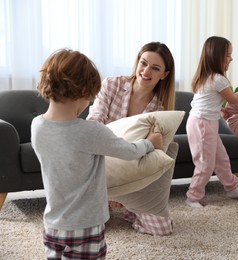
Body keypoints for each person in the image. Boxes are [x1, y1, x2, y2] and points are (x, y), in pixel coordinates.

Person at [31, 48, 163, 259]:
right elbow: (129, 152)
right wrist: (149, 143)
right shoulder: (90, 132)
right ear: (83, 91)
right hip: (86, 227)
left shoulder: (37, 126)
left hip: (52, 226)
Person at [87, 42, 176, 235]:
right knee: (91, 228)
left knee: (161, 229)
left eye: (155, 68)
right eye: (143, 63)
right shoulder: (112, 84)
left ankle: (126, 206)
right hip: (101, 168)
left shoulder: (160, 109)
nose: (146, 71)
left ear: (164, 74)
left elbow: (151, 153)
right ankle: (104, 200)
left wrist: (124, 188)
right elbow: (94, 124)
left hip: (131, 174)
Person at [185, 36, 238, 208]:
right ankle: (192, 197)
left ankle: (231, 187)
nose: (231, 59)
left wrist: (219, 110)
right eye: (228, 55)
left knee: (221, 158)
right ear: (217, 56)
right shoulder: (218, 79)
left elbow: (209, 102)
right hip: (203, 124)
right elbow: (234, 99)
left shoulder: (206, 78)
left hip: (205, 121)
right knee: (205, 163)